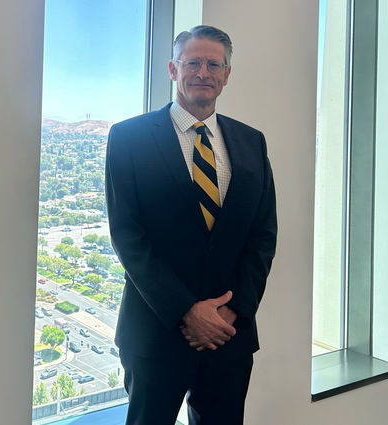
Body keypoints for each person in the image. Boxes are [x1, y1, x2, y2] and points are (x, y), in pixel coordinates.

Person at [105, 25, 277, 425]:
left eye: (213, 64)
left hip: (228, 335)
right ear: (172, 69)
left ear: (227, 74)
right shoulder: (129, 138)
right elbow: (128, 237)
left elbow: (262, 236)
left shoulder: (252, 141)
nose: (203, 72)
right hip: (156, 331)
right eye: (193, 62)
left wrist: (232, 311)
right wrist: (186, 311)